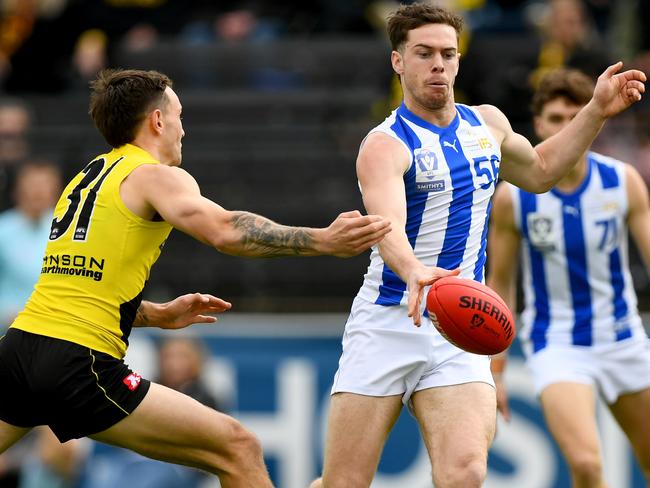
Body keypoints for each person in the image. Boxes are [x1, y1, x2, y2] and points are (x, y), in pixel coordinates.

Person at [0, 68, 392, 488]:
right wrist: (322, 240)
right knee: (238, 448)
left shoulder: (87, 177)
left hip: (20, 351)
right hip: (78, 363)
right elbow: (225, 230)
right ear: (157, 120)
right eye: (180, 116)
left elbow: (76, 290)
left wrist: (154, 314)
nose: (183, 130)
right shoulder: (154, 174)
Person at [309, 3, 645, 488]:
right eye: (423, 53)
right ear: (398, 62)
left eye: (448, 53)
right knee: (343, 483)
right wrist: (413, 270)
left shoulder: (487, 124)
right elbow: (387, 227)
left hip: (457, 324)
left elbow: (541, 171)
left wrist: (595, 112)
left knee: (465, 473)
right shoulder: (385, 144)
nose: (438, 64)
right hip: (387, 321)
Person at [487, 68, 650, 487]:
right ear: (538, 124)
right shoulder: (514, 197)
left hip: (624, 338)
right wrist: (495, 372)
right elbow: (500, 285)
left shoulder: (622, 182)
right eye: (556, 119)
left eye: (575, 116)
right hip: (557, 343)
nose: (566, 126)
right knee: (587, 465)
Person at [0, 161, 62, 327]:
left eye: (45, 185)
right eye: (33, 184)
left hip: (55, 327)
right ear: (18, 190)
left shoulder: (67, 231)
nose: (38, 191)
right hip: (8, 329)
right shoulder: (3, 230)